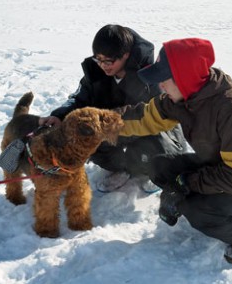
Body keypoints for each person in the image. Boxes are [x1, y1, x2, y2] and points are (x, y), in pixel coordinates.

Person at [118, 38, 232, 263]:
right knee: (160, 166)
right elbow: (146, 117)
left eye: (164, 80)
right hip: (219, 165)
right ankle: (190, 197)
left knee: (198, 210)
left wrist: (187, 182)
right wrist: (102, 124)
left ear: (183, 77)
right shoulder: (184, 98)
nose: (160, 86)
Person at [39, 25, 186, 192]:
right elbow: (79, 99)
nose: (103, 65)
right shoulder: (96, 73)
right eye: (98, 59)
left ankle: (149, 171)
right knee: (88, 140)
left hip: (150, 129)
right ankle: (122, 168)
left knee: (159, 153)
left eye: (108, 61)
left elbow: (164, 115)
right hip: (115, 128)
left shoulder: (149, 75)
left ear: (126, 55)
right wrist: (59, 115)